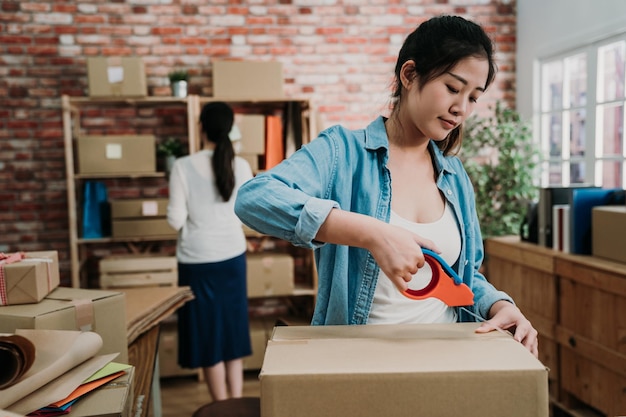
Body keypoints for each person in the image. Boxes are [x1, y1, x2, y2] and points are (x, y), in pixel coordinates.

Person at [234, 15, 539, 357]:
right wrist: (372, 233)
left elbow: (458, 279)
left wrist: (497, 305)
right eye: (453, 88)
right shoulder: (341, 152)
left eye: (473, 98)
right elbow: (254, 198)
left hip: (446, 364)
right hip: (357, 366)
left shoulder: (454, 176)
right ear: (409, 75)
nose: (461, 108)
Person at [167, 101, 253, 401]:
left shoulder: (182, 166)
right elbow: (249, 214)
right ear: (229, 129)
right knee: (232, 328)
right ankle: (237, 401)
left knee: (207, 333)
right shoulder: (241, 166)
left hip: (196, 262)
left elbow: (175, 219)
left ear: (201, 127)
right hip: (232, 257)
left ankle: (221, 406)